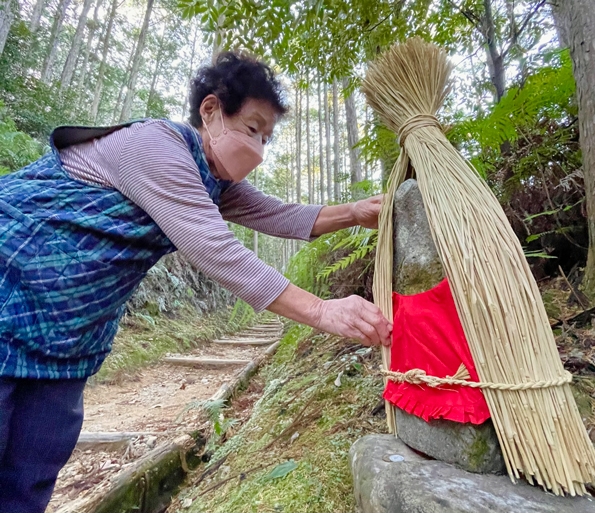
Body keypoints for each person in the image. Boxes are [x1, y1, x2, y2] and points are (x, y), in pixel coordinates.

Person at [0, 51, 391, 512]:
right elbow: (212, 247)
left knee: (32, 471)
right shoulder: (155, 146)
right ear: (210, 111)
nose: (258, 150)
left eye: (266, 138)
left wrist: (354, 212)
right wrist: (323, 310)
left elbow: (278, 214)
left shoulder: (212, 181)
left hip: (67, 335)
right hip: (11, 293)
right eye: (251, 128)